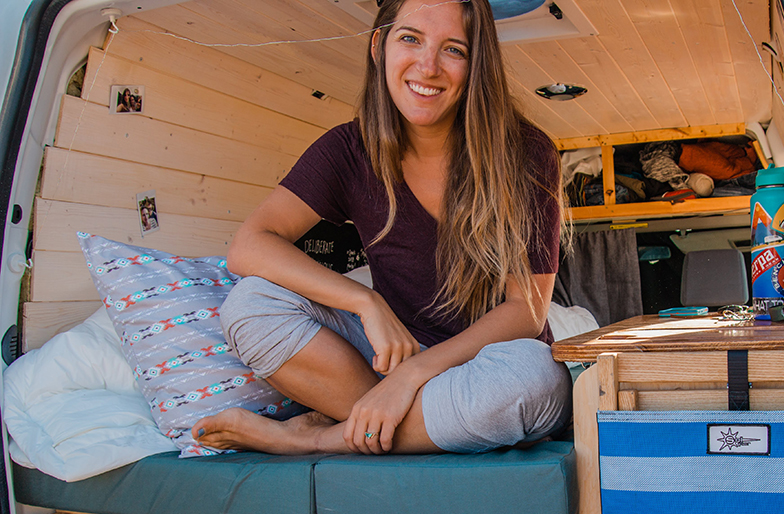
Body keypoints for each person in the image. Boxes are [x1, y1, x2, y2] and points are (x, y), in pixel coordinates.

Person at [191, 0, 572, 456]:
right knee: (248, 305)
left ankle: (315, 439)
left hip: (484, 362)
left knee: (535, 380)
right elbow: (249, 246)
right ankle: (410, 425)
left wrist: (413, 376)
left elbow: (526, 311)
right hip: (393, 358)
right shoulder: (347, 149)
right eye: (410, 38)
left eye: (454, 49)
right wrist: (365, 301)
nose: (427, 66)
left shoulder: (527, 152)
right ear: (379, 46)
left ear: (476, 66)